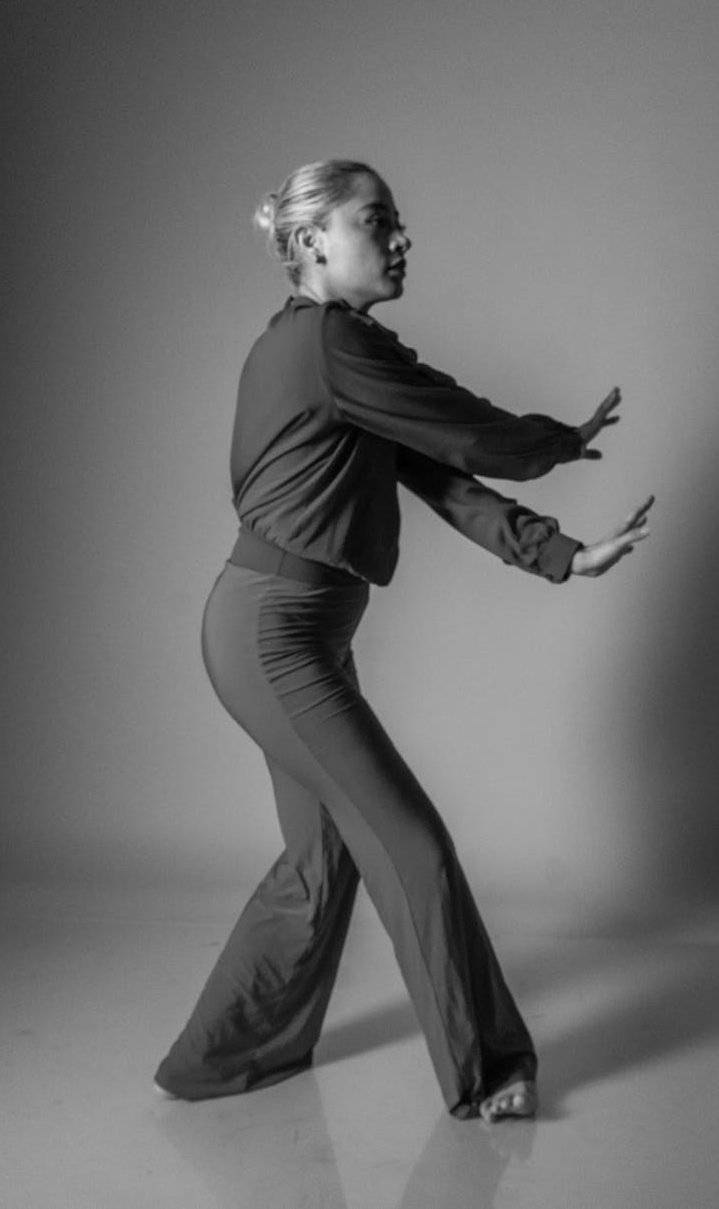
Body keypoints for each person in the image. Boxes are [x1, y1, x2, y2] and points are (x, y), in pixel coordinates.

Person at [154, 158, 653, 1122]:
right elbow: (465, 432)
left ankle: (218, 1060)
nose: (399, 239)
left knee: (319, 862)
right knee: (410, 844)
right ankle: (489, 1070)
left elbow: (435, 469)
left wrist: (560, 554)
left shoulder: (340, 352)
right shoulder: (327, 346)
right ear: (311, 244)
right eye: (376, 222)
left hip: (286, 633)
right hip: (273, 635)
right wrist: (549, 442)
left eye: (396, 223)